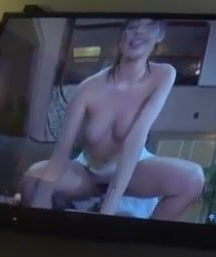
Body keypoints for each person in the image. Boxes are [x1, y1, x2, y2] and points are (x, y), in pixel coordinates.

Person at [21, 18, 205, 220]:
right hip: (89, 171)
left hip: (135, 169)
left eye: (149, 26)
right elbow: (62, 149)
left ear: (160, 34)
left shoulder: (163, 74)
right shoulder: (88, 88)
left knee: (193, 178)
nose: (138, 33)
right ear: (122, 34)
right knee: (32, 180)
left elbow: (137, 136)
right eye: (132, 27)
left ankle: (144, 237)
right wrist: (43, 196)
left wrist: (108, 209)